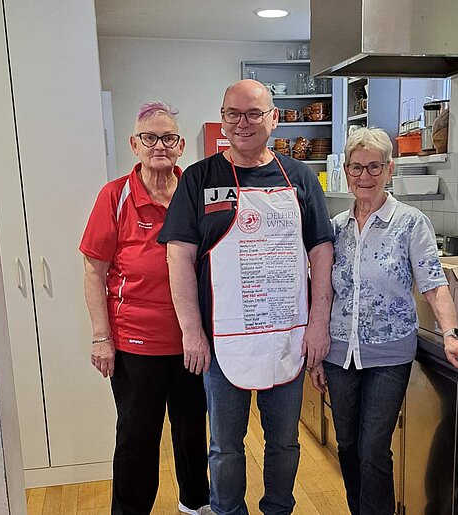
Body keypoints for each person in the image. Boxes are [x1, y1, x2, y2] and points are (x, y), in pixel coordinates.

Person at [158, 79, 334, 515]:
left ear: (273, 118)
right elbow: (178, 258)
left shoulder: (300, 178)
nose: (243, 123)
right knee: (224, 446)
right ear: (222, 119)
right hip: (223, 340)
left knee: (285, 442)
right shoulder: (199, 179)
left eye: (254, 113)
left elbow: (321, 253)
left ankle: (278, 509)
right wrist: (191, 332)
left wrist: (318, 324)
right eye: (233, 114)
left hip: (287, 335)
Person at [308, 127, 458, 515]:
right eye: (357, 167)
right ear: (346, 170)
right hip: (339, 354)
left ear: (389, 170)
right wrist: (316, 352)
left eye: (374, 166)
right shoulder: (336, 228)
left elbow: (434, 284)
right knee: (347, 446)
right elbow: (322, 292)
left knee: (373, 449)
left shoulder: (410, 223)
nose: (365, 176)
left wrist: (450, 334)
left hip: (388, 357)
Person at [80, 102, 211, 515]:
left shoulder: (195, 193)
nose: (159, 146)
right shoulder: (115, 195)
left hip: (193, 341)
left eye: (168, 138)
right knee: (137, 438)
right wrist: (101, 338)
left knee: (192, 432)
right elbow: (93, 269)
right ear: (134, 144)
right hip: (136, 343)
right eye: (150, 138)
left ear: (181, 146)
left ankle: (195, 504)